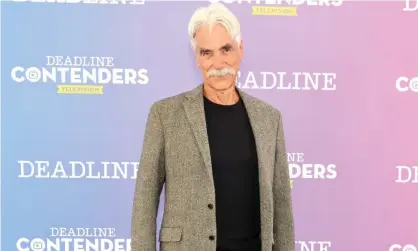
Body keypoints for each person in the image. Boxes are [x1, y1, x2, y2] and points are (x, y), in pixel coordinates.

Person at [131, 3, 295, 251]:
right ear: (196, 58)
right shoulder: (165, 115)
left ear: (240, 49)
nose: (217, 63)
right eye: (206, 53)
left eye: (226, 49)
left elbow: (282, 207)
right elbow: (144, 201)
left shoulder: (269, 118)